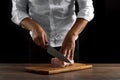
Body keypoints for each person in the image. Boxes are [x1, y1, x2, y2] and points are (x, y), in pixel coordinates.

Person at [11, 0, 94, 63]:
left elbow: (87, 8)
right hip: (38, 42)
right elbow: (17, 10)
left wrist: (72, 34)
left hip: (69, 42)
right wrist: (33, 27)